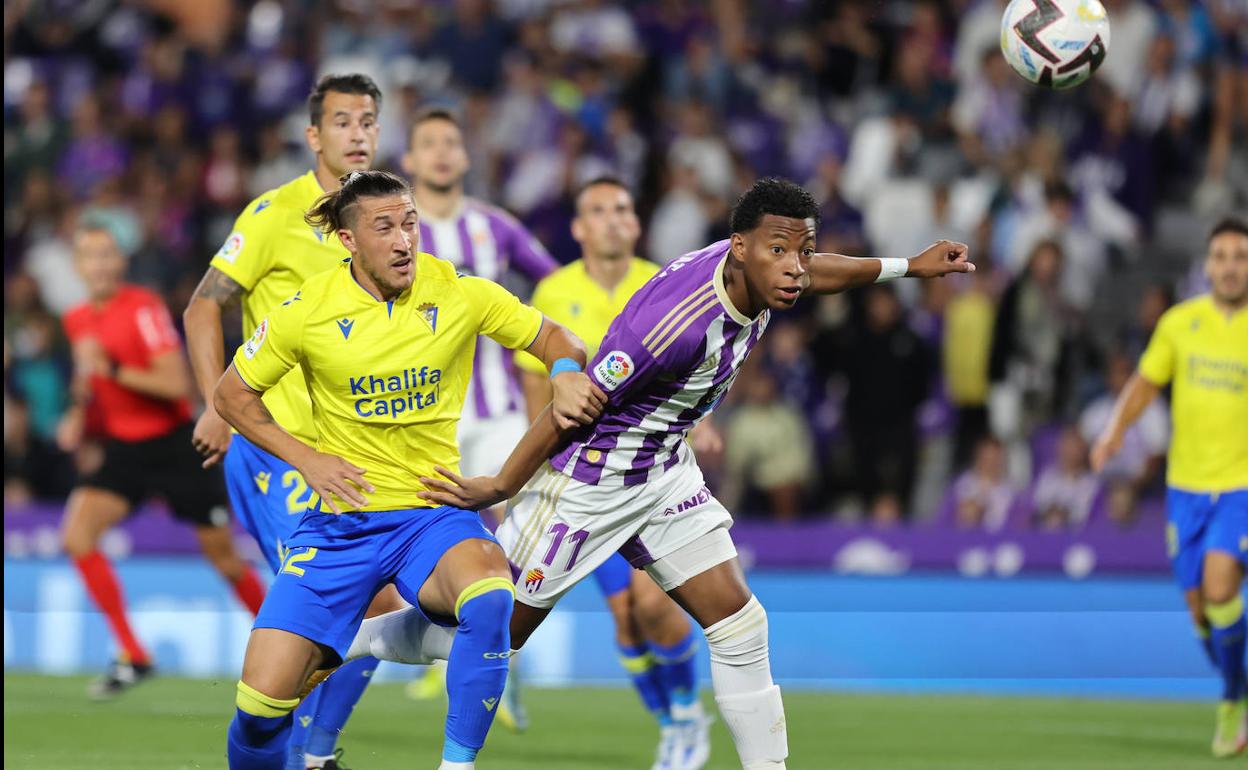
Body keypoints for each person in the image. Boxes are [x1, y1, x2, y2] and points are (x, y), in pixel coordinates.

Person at [343, 178, 973, 770]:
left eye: (801, 251)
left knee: (741, 626)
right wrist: (503, 485)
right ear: (740, 248)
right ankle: (357, 638)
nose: (795, 266)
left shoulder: (770, 269)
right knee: (486, 636)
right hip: (587, 483)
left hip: (665, 472)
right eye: (780, 251)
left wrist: (909, 267)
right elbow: (577, 404)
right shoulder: (671, 325)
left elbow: (819, 272)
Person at [215, 170, 602, 770]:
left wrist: (564, 372)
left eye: (411, 223)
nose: (404, 241)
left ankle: (455, 764)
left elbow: (557, 337)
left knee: (492, 596)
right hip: (340, 524)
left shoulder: (458, 290)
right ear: (347, 241)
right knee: (260, 707)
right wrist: (307, 457)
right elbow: (231, 396)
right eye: (385, 227)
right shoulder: (307, 310)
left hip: (431, 514)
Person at [182, 73, 395, 770]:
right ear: (314, 137)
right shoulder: (275, 214)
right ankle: (299, 751)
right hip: (276, 450)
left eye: (367, 120)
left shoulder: (383, 224)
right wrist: (218, 403)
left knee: (372, 610)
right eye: (342, 121)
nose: (357, 133)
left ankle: (295, 747)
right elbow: (203, 306)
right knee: (360, 607)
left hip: (345, 453)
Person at [513, 177, 716, 769]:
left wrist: (704, 425)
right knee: (624, 615)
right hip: (580, 481)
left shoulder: (668, 281)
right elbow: (536, 386)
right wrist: (536, 472)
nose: (611, 220)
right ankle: (671, 723)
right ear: (578, 229)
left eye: (622, 209)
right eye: (597, 211)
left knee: (653, 606)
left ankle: (684, 715)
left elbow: (698, 371)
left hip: (653, 473)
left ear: (636, 222)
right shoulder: (554, 289)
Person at [399, 106, 559, 726]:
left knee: (509, 538)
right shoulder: (396, 232)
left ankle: (495, 655)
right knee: (427, 538)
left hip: (494, 410)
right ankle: (452, 651)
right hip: (419, 416)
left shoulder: (497, 228)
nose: (441, 153)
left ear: (466, 158)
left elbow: (557, 286)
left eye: (451, 143)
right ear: (409, 161)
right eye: (428, 144)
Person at [58, 221, 265, 699]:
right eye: (91, 256)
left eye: (108, 254)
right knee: (77, 536)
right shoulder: (77, 319)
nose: (101, 264)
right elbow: (89, 382)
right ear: (78, 267)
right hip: (125, 450)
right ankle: (134, 653)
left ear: (121, 262)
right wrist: (77, 413)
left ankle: (287, 649)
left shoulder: (143, 308)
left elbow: (174, 385)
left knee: (225, 560)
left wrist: (110, 368)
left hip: (175, 445)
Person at [1092, 217, 1248, 759]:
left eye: (1240, 257)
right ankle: (1238, 681)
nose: (1231, 267)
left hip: (1240, 487)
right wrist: (1114, 431)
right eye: (1222, 257)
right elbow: (1145, 384)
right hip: (1186, 489)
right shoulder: (1181, 324)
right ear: (1208, 267)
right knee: (1201, 609)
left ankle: (1232, 702)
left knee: (1222, 585)